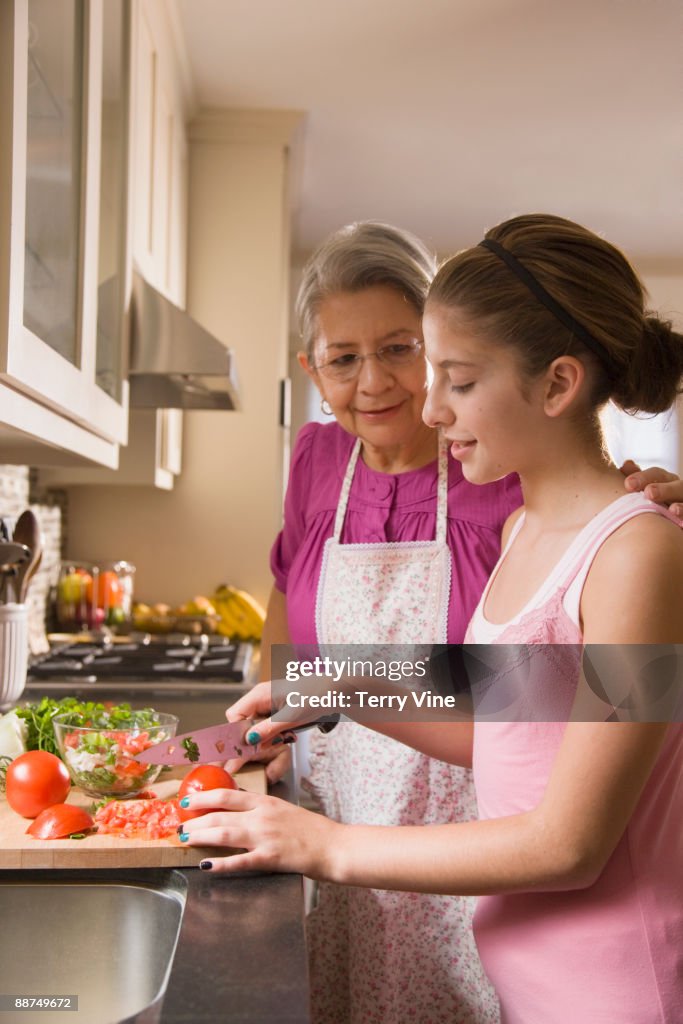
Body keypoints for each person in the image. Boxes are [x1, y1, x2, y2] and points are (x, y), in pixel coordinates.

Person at [179, 214, 683, 1024]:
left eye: (456, 378)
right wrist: (334, 679)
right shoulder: (528, 532)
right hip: (532, 981)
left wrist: (325, 846)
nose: (431, 408)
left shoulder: (639, 557)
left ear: (556, 385)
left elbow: (570, 845)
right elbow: (503, 718)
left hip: (621, 993)